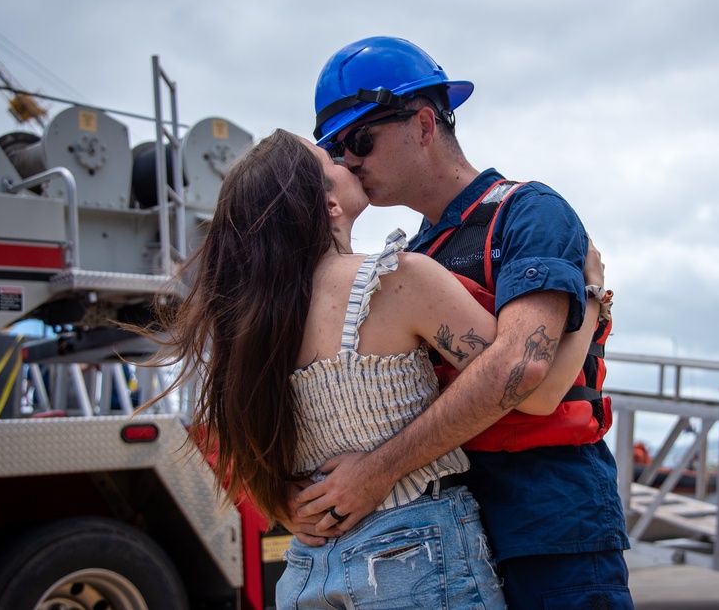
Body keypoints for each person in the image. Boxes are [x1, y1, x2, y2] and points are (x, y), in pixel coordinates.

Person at [137, 128, 604, 608]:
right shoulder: (396, 279)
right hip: (416, 558)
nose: (348, 161)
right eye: (332, 161)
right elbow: (531, 386)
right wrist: (591, 295)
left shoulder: (255, 326)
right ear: (329, 205)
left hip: (308, 568)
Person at [289, 37, 632, 609]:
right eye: (336, 151)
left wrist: (375, 473)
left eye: (359, 140)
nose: (349, 161)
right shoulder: (411, 259)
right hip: (449, 544)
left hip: (550, 531)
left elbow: (526, 372)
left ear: (424, 124)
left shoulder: (529, 214)